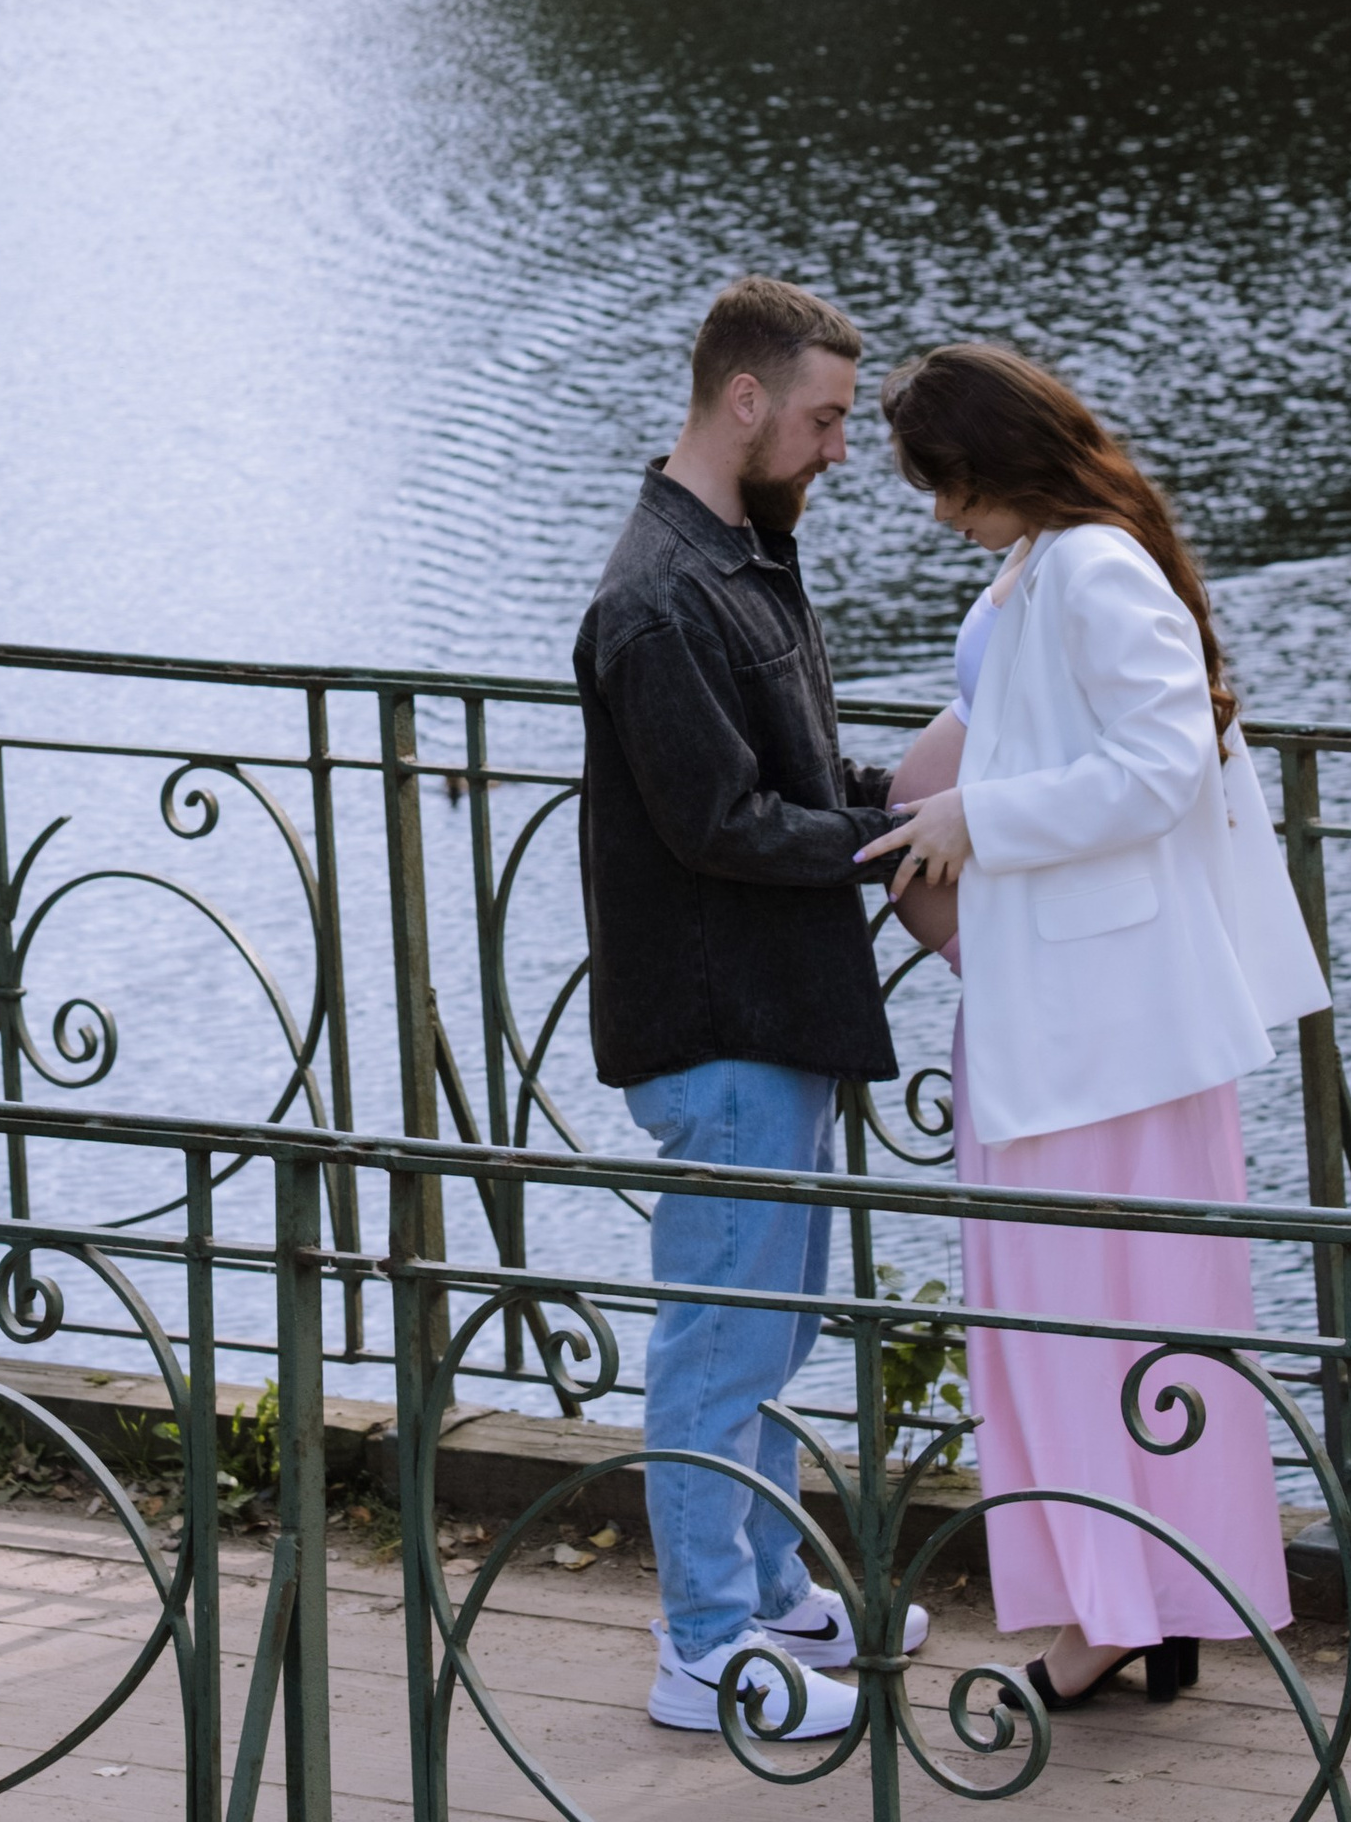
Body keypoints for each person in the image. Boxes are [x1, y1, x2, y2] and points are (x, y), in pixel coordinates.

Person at [858, 343, 1329, 1716]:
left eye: (944, 482)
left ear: (998, 460)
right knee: (1071, 1321)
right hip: (1059, 1016)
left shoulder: (1095, 567)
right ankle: (1137, 1603)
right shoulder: (1036, 569)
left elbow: (1159, 763)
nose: (938, 511)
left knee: (1095, 1325)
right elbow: (1025, 729)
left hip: (1103, 1034)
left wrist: (974, 820)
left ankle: (1121, 1610)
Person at [576, 277, 929, 1742]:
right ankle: (705, 1648)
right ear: (744, 402)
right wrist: (894, 839)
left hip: (773, 1013)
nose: (842, 449)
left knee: (770, 1337)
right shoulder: (655, 598)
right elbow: (721, 821)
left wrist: (890, 795)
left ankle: (773, 1589)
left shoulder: (739, 551)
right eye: (826, 419)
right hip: (722, 1029)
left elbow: (783, 775)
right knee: (720, 1344)